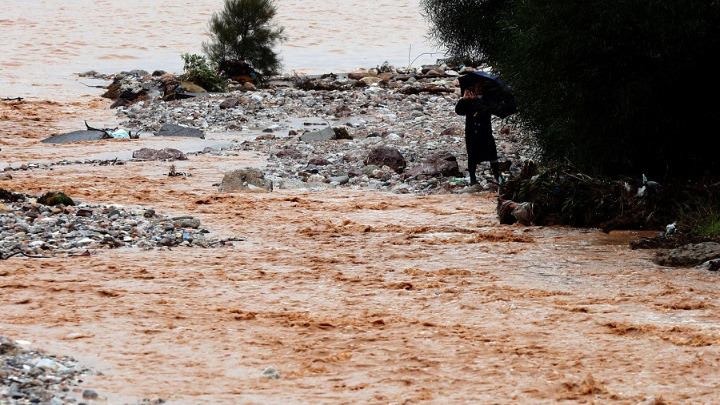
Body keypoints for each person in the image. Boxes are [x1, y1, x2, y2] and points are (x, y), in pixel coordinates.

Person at [455, 81, 501, 185]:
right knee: (472, 156)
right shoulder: (469, 100)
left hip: (485, 133)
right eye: (477, 86)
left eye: (480, 86)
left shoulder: (488, 100)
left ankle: (498, 177)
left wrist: (476, 101)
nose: (478, 89)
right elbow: (459, 111)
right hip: (472, 133)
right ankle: (472, 178)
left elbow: (486, 110)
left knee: (492, 155)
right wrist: (463, 100)